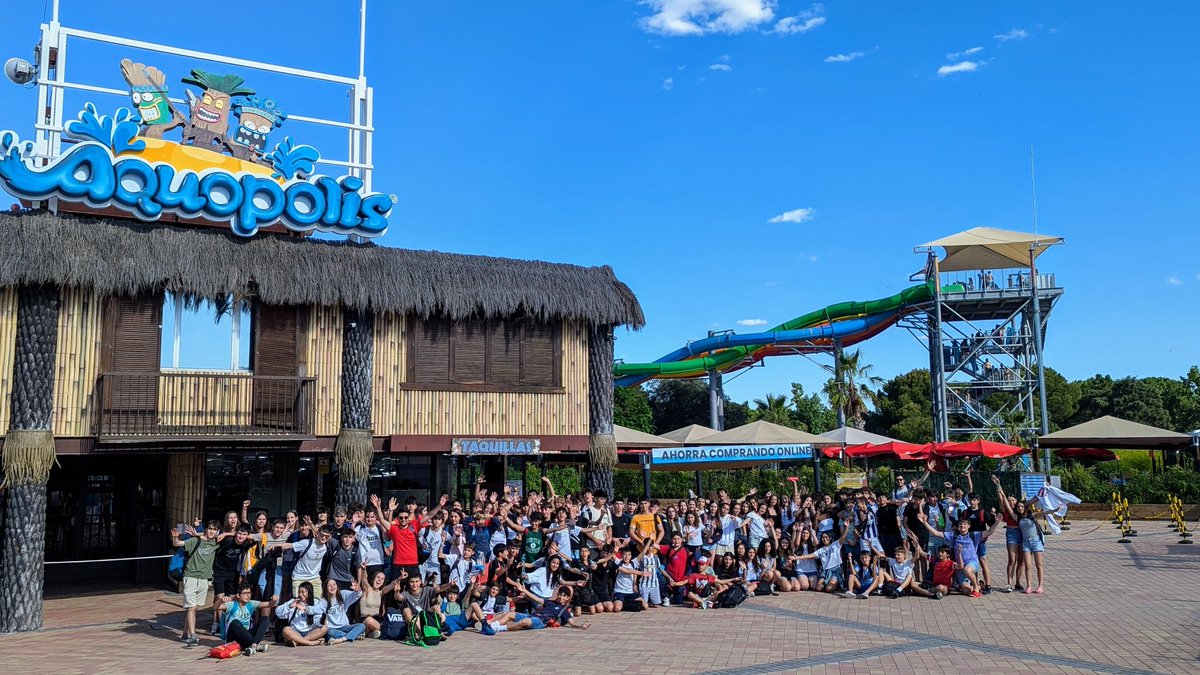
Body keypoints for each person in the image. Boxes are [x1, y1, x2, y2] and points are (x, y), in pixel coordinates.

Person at [171, 521, 220, 647]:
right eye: (210, 528)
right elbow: (177, 543)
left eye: (214, 529)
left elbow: (232, 534)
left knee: (194, 608)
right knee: (191, 608)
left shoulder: (216, 543)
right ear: (206, 529)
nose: (212, 531)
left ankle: (185, 633)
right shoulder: (195, 541)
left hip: (204, 580)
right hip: (191, 577)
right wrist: (175, 536)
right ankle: (193, 636)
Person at [218, 584, 271, 655]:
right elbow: (216, 608)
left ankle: (253, 645)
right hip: (233, 640)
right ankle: (255, 646)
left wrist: (274, 600)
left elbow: (269, 604)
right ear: (238, 595)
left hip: (245, 638)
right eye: (245, 593)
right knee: (235, 622)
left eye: (249, 593)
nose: (248, 595)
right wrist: (221, 600)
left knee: (265, 619)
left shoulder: (251, 603)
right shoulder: (232, 605)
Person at [275, 581, 327, 647]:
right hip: (295, 632)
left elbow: (318, 616)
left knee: (324, 628)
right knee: (286, 630)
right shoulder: (293, 601)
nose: (300, 594)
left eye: (303, 592)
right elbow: (277, 612)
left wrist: (306, 609)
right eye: (299, 592)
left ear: (309, 592)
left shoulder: (316, 602)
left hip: (310, 632)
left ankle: (298, 642)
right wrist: (289, 606)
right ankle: (310, 643)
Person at [289, 520, 333, 598]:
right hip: (299, 576)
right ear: (318, 533)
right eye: (322, 535)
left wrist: (311, 524)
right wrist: (276, 545)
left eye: (326, 536)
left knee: (318, 601)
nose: (323, 538)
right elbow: (291, 545)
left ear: (329, 537)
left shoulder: (327, 546)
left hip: (314, 577)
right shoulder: (307, 542)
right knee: (298, 600)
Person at [320, 577, 365, 645]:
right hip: (332, 628)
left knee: (362, 626)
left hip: (345, 626)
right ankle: (354, 636)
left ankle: (342, 639)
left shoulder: (342, 594)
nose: (332, 587)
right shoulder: (323, 601)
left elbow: (356, 595)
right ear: (326, 588)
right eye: (329, 586)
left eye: (334, 584)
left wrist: (357, 590)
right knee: (329, 632)